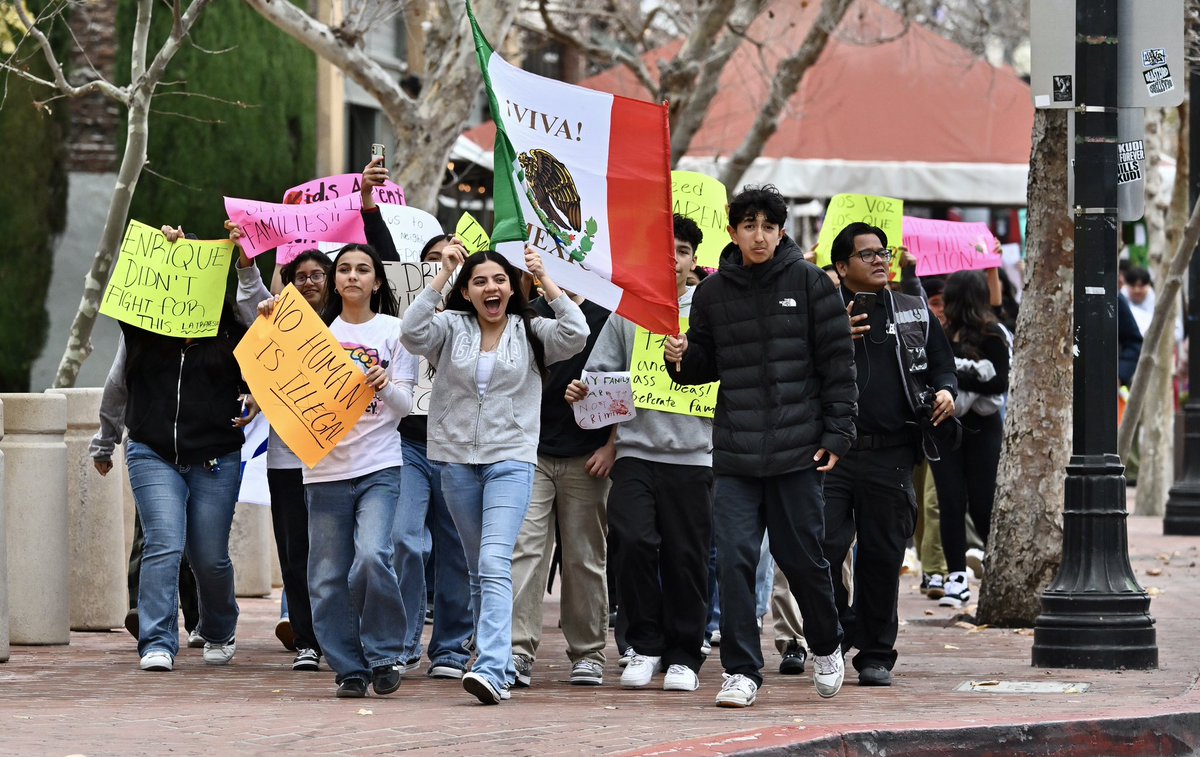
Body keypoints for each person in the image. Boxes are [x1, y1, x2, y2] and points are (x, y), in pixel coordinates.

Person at [665, 185, 857, 707]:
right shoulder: (711, 294)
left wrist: (838, 435)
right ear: (732, 232)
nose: (758, 235)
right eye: (747, 225)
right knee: (733, 561)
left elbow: (838, 366)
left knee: (803, 560)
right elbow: (698, 371)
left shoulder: (813, 284)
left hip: (799, 452)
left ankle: (825, 642)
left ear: (780, 232)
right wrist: (678, 355)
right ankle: (742, 671)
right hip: (736, 455)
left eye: (767, 226)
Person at [402, 244, 587, 704]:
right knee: (475, 569)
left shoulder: (532, 330)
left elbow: (577, 331)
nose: (492, 288)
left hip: (512, 459)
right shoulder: (450, 325)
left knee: (493, 562)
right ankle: (495, 660)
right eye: (480, 281)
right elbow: (411, 332)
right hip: (456, 460)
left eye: (500, 280)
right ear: (467, 291)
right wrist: (440, 278)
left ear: (511, 288)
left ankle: (490, 668)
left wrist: (545, 278)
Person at [259, 243, 418, 698]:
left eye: (362, 269)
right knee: (326, 578)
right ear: (334, 279)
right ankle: (349, 667)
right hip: (323, 473)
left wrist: (386, 386)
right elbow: (270, 365)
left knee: (371, 557)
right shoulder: (312, 330)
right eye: (344, 269)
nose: (352, 276)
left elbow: (405, 407)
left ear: (377, 281)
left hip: (379, 467)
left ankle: (385, 652)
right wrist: (269, 311)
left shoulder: (396, 332)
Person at [566, 214, 712, 693]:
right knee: (631, 544)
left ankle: (685, 654)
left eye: (683, 252)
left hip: (696, 457)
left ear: (694, 261)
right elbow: (600, 374)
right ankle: (643, 647)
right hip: (634, 454)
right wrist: (583, 391)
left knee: (687, 558)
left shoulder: (711, 313)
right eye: (665, 252)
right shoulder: (627, 314)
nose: (673, 262)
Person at [92, 228, 248, 673]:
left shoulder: (232, 327)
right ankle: (157, 639)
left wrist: (246, 262)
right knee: (163, 541)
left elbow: (264, 338)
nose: (187, 284)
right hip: (151, 449)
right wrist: (105, 440)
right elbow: (117, 385)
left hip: (216, 455)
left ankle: (219, 627)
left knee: (208, 554)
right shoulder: (141, 330)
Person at [823, 222, 957, 686]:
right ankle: (839, 629)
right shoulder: (821, 312)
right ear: (841, 267)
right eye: (867, 255)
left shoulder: (913, 308)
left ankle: (876, 653)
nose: (880, 260)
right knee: (820, 549)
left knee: (882, 556)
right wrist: (833, 331)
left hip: (892, 454)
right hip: (833, 454)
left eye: (884, 252)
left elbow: (943, 364)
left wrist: (945, 391)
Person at [233, 236, 333, 671]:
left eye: (316, 275)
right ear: (288, 282)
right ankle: (307, 640)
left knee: (335, 554)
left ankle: (339, 635)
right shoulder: (275, 319)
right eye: (300, 276)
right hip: (286, 459)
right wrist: (245, 259)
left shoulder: (347, 323)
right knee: (295, 553)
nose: (309, 282)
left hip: (339, 462)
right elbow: (252, 298)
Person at [509, 275, 613, 688]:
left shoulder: (606, 314)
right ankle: (517, 652)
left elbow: (628, 384)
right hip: (530, 453)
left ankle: (588, 653)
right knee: (525, 551)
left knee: (585, 558)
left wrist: (612, 448)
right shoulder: (525, 314)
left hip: (589, 458)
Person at [395, 233, 475, 680]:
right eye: (433, 260)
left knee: (457, 550)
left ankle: (449, 649)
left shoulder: (475, 318)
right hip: (408, 444)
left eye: (451, 260)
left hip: (457, 447)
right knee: (405, 539)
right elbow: (411, 330)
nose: (442, 265)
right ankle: (404, 641)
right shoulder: (409, 309)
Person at [930, 270, 1009, 608]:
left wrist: (958, 377)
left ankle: (995, 568)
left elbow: (999, 383)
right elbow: (929, 375)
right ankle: (957, 578)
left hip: (982, 429)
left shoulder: (993, 335)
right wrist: (969, 375)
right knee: (949, 502)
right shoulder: (940, 334)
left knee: (982, 501)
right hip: (944, 428)